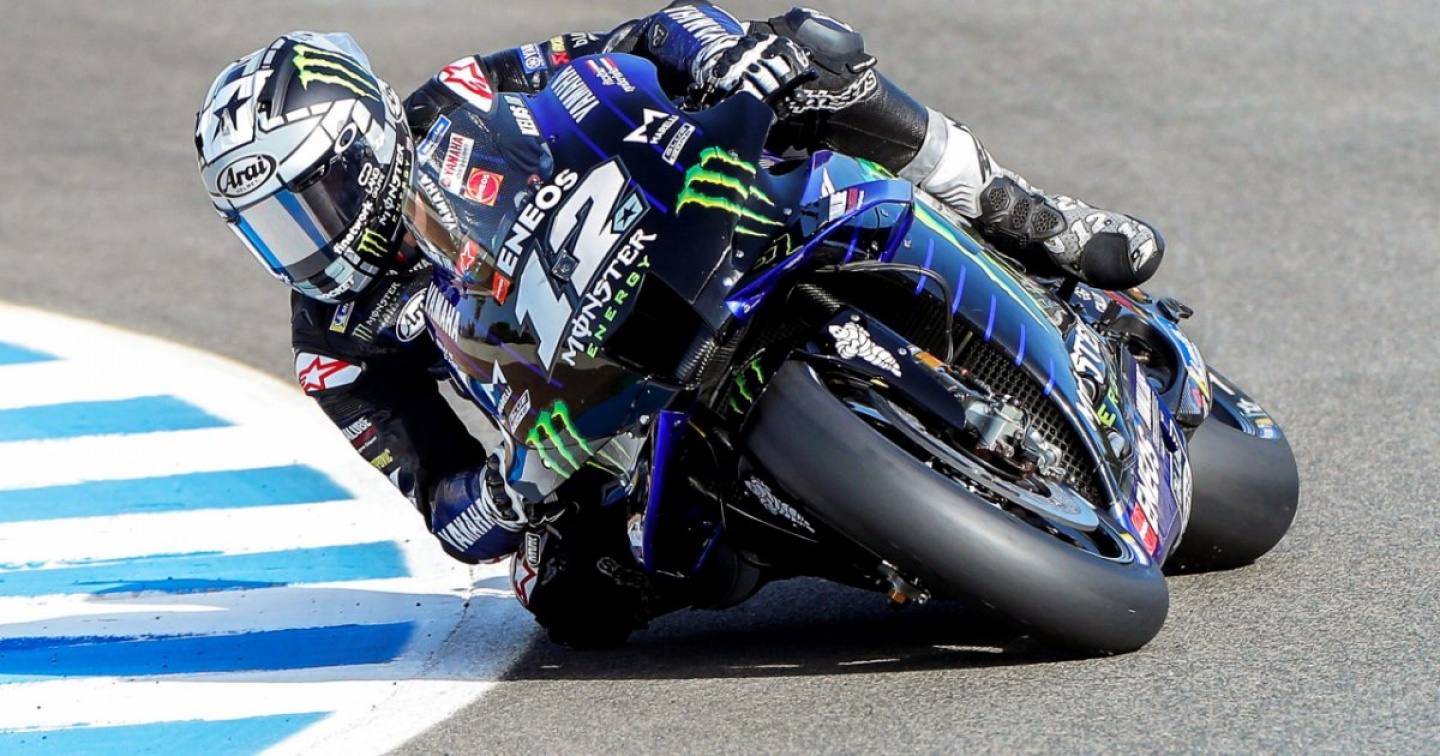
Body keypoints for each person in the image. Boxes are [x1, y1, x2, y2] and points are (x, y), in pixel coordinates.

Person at [194, 1, 1165, 647]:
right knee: (564, 601)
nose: (305, 243)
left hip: (686, 239)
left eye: (309, 203)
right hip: (583, 417)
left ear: (365, 146)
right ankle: (834, 527)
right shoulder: (334, 342)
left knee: (815, 66)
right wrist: (507, 486)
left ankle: (1037, 217)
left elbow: (644, 35)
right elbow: (445, 507)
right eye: (269, 228)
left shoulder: (467, 98)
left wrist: (720, 58)